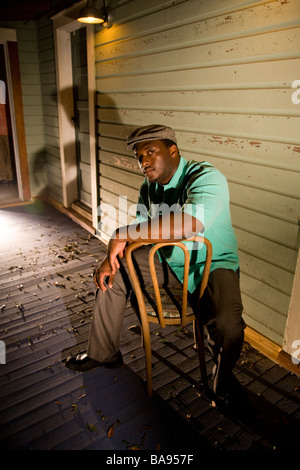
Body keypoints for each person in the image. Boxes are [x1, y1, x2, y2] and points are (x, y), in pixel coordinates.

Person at [65, 124, 246, 406]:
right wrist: (109, 257)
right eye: (139, 157)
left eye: (151, 152)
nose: (144, 161)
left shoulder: (206, 177)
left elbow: (190, 224)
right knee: (113, 271)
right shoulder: (149, 188)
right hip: (168, 261)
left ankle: (222, 379)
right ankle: (104, 353)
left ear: (173, 150)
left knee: (228, 327)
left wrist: (120, 234)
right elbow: (141, 228)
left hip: (211, 265)